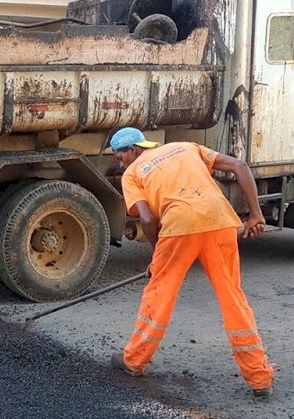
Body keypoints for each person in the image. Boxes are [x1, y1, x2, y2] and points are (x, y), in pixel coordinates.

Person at [109, 127, 275, 399]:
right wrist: (256, 214)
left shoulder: (133, 173)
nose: (120, 162)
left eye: (120, 156)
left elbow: (148, 220)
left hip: (179, 227)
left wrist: (157, 257)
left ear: (133, 150)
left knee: (159, 293)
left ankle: (134, 361)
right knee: (233, 297)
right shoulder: (187, 147)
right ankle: (259, 377)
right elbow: (239, 165)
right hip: (220, 221)